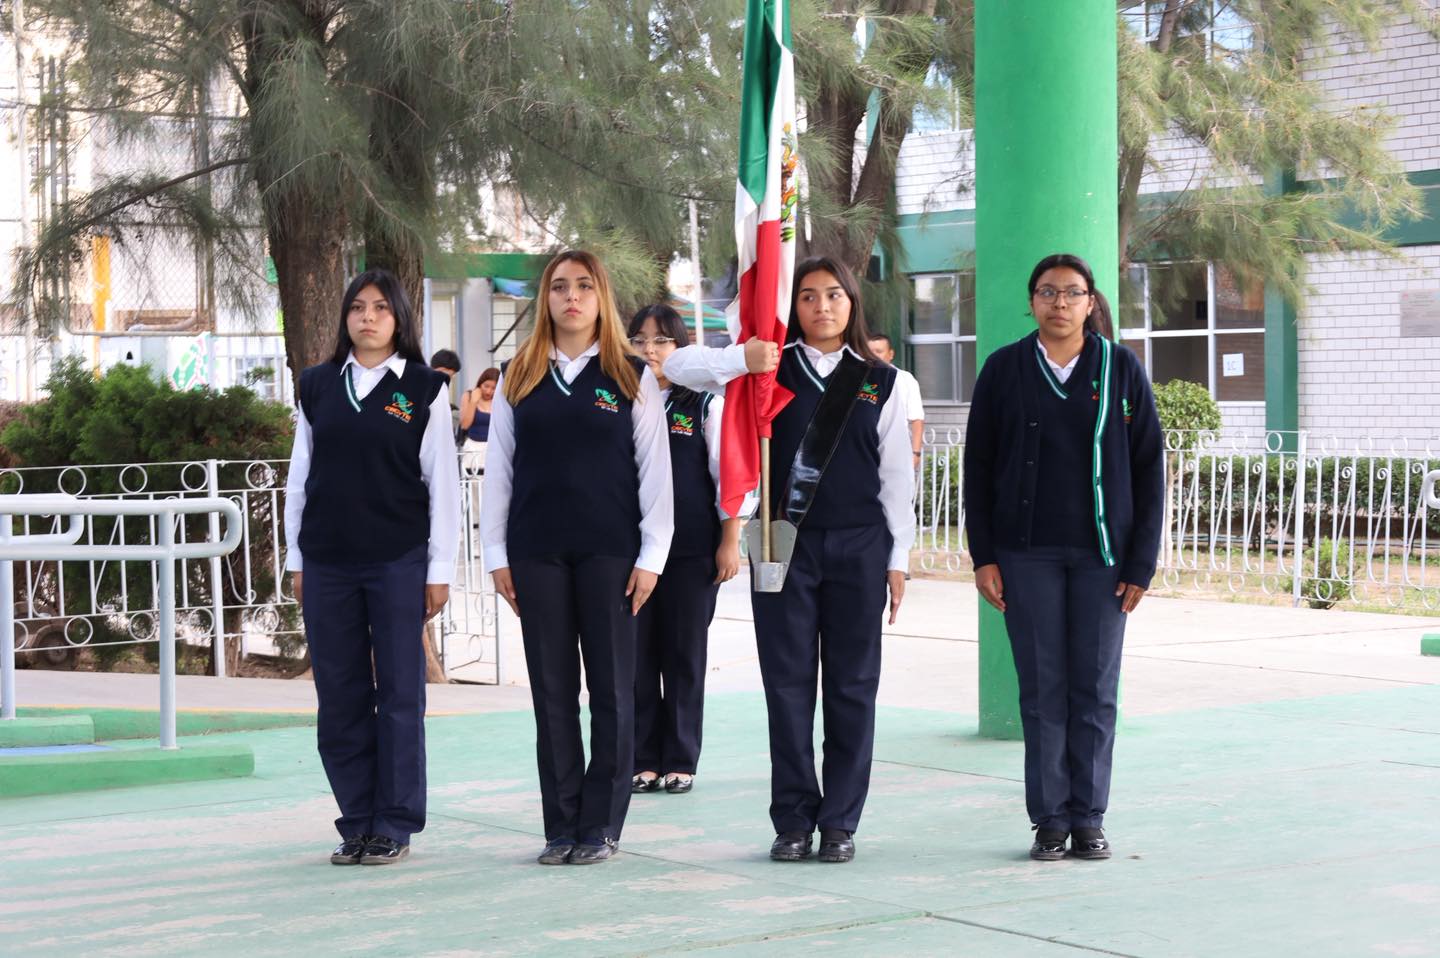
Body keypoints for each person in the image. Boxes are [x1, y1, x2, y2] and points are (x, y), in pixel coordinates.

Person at [664, 256, 915, 864]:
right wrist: (742, 357)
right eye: (807, 295)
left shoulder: (886, 381)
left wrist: (899, 557)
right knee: (787, 686)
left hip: (861, 546)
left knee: (853, 687)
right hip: (779, 543)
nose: (822, 306)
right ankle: (793, 820)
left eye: (834, 295)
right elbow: (675, 365)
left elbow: (895, 478)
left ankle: (840, 822)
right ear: (792, 306)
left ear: (852, 303)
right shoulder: (766, 368)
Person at [962, 252, 1163, 863]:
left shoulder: (1120, 368)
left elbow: (1149, 468)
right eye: (1047, 292)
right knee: (1042, 689)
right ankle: (1050, 819)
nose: (1059, 303)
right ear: (1032, 302)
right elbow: (978, 466)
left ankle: (1089, 817)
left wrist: (1141, 562)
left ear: (1090, 302)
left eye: (1072, 292)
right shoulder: (1004, 369)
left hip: (1104, 557)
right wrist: (984, 555)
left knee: (1095, 690)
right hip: (1027, 556)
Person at [480, 250, 674, 866]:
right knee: (553, 693)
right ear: (545, 299)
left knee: (613, 691)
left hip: (611, 554)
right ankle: (561, 825)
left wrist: (652, 556)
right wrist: (495, 554)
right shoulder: (517, 375)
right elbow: (499, 472)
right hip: (535, 552)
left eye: (584, 286)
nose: (571, 297)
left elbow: (655, 474)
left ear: (601, 297)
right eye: (560, 286)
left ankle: (601, 826)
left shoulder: (630, 375)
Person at [284, 268, 461, 866]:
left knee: (401, 695)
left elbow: (442, 486)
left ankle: (394, 823)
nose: (368, 317)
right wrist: (297, 558)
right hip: (327, 561)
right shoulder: (317, 386)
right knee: (339, 697)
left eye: (381, 308)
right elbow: (300, 479)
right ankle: (357, 819)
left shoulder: (425, 388)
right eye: (358, 307)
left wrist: (439, 570)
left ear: (400, 318)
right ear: (346, 317)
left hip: (398, 560)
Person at [625, 305, 742, 798]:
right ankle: (643, 758)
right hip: (631, 553)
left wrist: (730, 540)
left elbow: (728, 477)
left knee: (684, 654)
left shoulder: (704, 405)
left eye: (662, 340)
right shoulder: (621, 401)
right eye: (639, 340)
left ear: (682, 348)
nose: (649, 350)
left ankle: (680, 758)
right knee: (636, 656)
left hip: (693, 550)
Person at [866, 333, 925, 470]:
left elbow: (916, 418)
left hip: (896, 451)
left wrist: (915, 453)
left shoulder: (905, 379)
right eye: (870, 352)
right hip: (864, 451)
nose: (874, 356)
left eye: (879, 351)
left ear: (891, 354)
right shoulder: (858, 380)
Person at [459, 367, 499, 475]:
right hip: (473, 448)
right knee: (473, 482)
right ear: (480, 383)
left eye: (494, 388)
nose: (489, 391)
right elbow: (465, 425)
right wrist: (473, 402)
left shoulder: (500, 400)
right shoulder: (469, 395)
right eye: (486, 386)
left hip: (493, 449)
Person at [429, 348, 463, 444]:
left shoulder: (442, 389)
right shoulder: (423, 387)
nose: (444, 379)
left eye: (450, 377)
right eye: (442, 374)